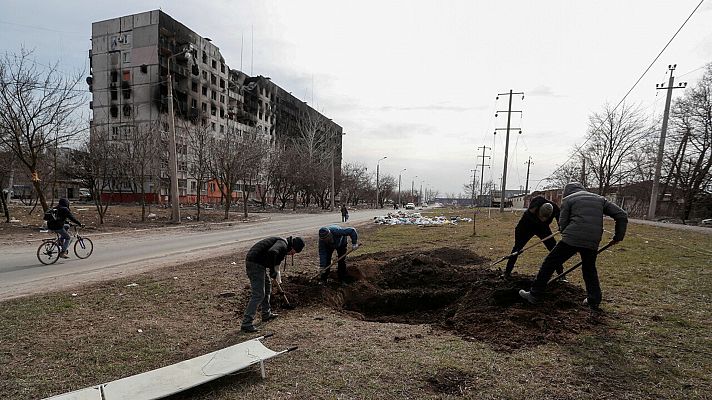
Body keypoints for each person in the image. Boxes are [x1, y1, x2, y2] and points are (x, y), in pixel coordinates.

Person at [519, 182, 628, 309]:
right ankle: (594, 300)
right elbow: (622, 215)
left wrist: (566, 234)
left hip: (572, 238)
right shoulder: (600, 199)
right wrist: (618, 236)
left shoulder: (568, 199)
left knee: (550, 263)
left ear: (567, 192)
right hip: (593, 240)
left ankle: (534, 295)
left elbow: (563, 223)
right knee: (589, 269)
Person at [241, 236, 305, 333]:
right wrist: (272, 270)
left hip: (259, 264)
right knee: (258, 294)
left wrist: (274, 272)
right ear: (293, 247)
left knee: (267, 288)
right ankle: (246, 323)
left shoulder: (283, 245)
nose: (292, 254)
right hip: (254, 263)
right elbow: (272, 252)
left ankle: (266, 314)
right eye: (294, 252)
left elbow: (274, 258)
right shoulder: (282, 244)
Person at [503, 196, 563, 279]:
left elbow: (560, 219)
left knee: (554, 249)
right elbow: (519, 228)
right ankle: (507, 272)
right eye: (541, 217)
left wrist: (561, 226)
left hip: (543, 228)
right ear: (538, 211)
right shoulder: (534, 206)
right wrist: (519, 242)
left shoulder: (555, 209)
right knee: (516, 249)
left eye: (545, 218)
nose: (543, 219)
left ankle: (561, 275)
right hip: (527, 226)